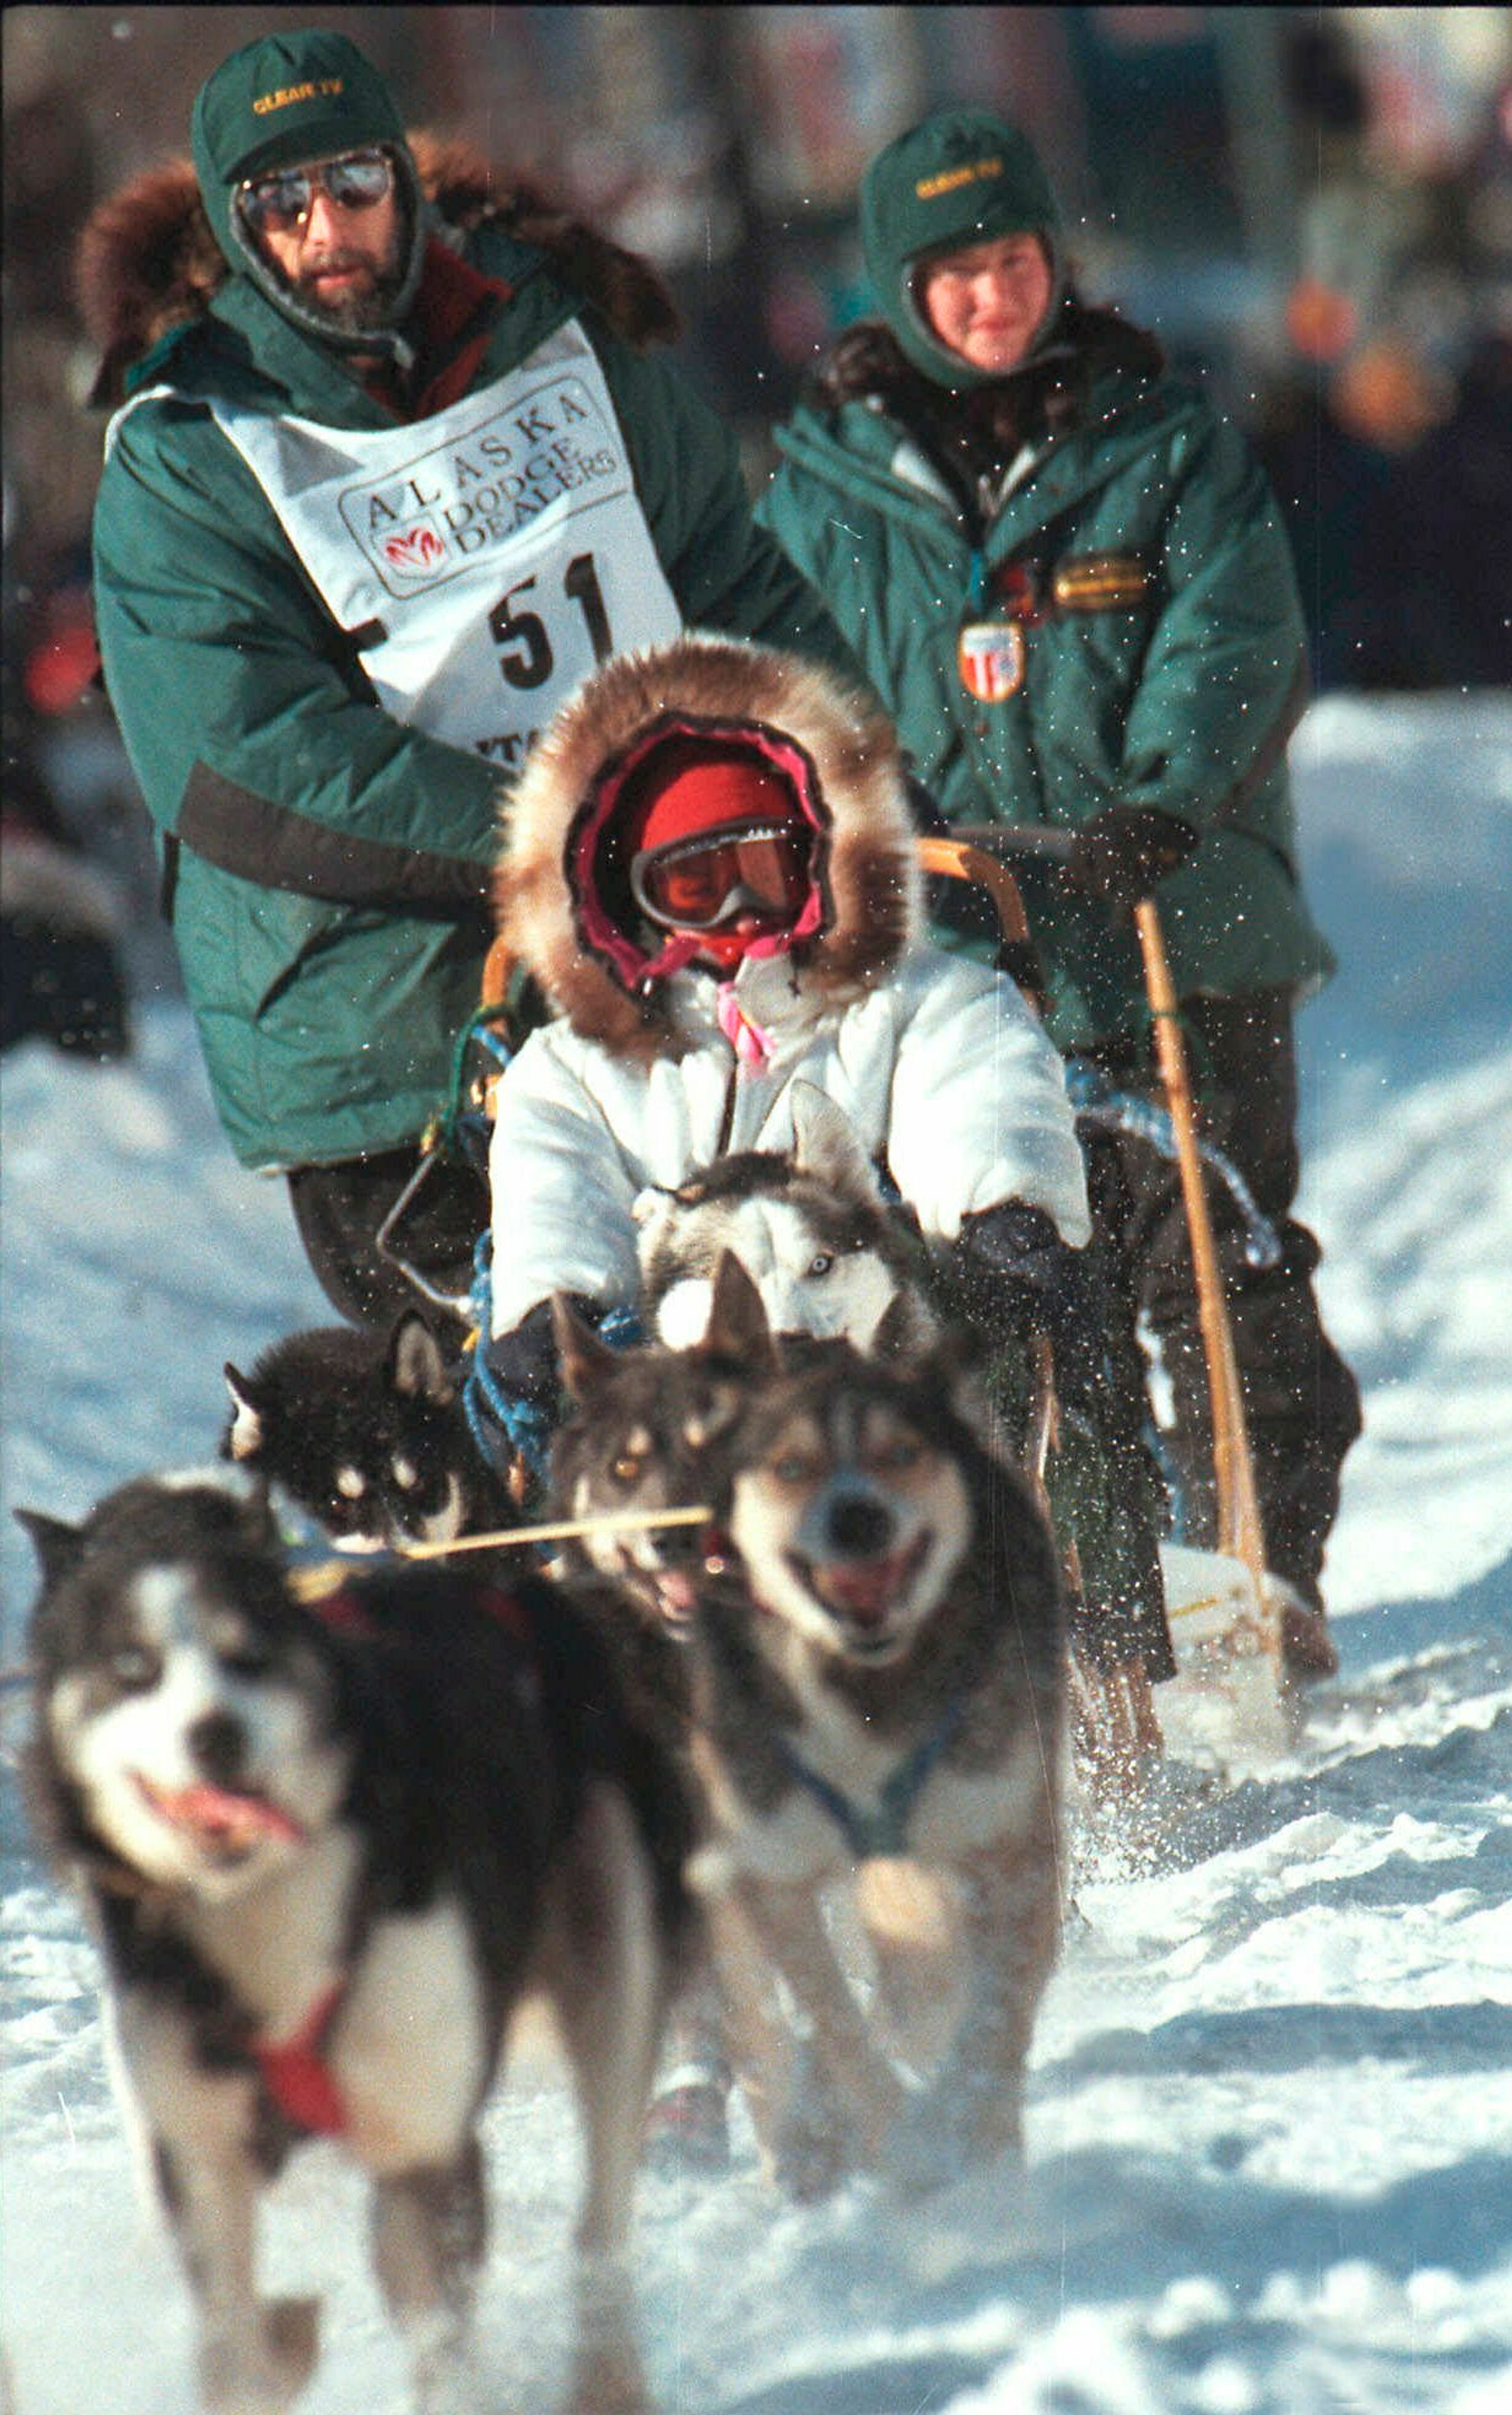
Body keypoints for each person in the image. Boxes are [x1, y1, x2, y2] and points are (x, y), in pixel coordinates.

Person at [77, 26, 867, 1340]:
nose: (324, 226)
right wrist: (561, 839)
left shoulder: (562, 344)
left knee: (761, 1390)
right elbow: (245, 764)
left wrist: (852, 776)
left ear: (406, 181)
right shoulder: (189, 452)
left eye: (352, 185)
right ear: (235, 225)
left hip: (675, 970)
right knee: (536, 1468)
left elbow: (732, 584)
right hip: (394, 1042)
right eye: (279, 204)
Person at [756, 107, 1362, 1668]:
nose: (990, 296)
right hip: (968, 958)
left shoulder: (1159, 438)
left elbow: (1238, 633)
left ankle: (1262, 1568)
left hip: (1184, 914)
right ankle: (1113, 1601)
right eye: (952, 271)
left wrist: (1160, 795)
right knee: (1045, 1297)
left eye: (1014, 258)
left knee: (1225, 1273)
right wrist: (875, 832)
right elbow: (795, 689)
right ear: (899, 284)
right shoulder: (821, 487)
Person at [479, 630, 1171, 1681]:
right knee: (549, 1418)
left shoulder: (905, 997)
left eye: (762, 863)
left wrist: (999, 1199)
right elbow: (553, 1184)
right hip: (689, 1391)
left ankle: (1060, 1638)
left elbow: (971, 1084)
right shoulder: (580, 1066)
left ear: (814, 854)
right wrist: (555, 1303)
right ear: (634, 899)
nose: (736, 908)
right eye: (693, 882)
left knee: (1044, 1330)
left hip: (886, 1349)